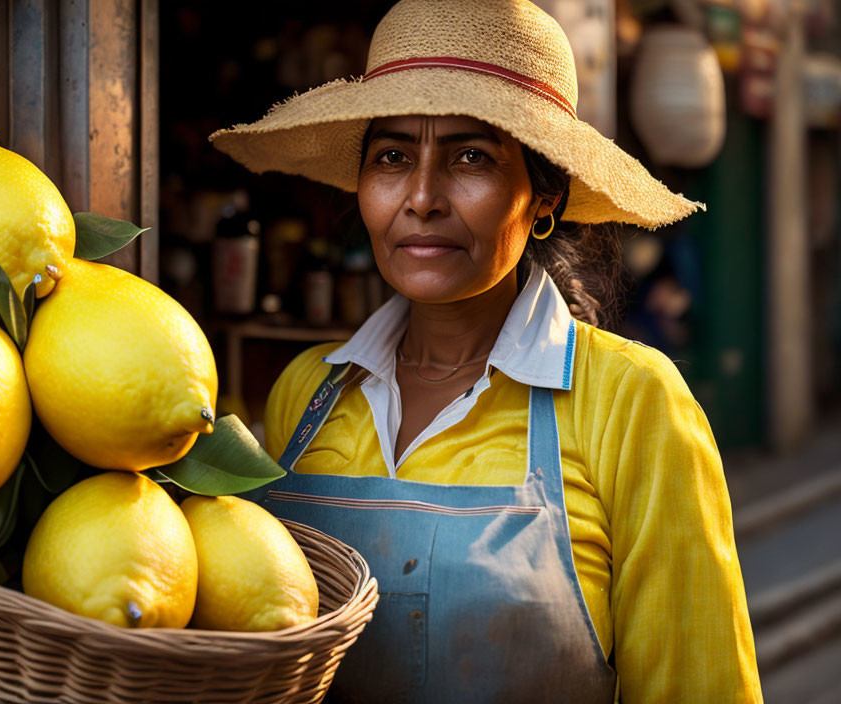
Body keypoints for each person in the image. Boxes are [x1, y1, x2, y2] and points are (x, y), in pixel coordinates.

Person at [210, 1, 763, 702]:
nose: (421, 197)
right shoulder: (309, 391)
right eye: (392, 157)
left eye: (472, 156)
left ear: (544, 197)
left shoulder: (631, 401)